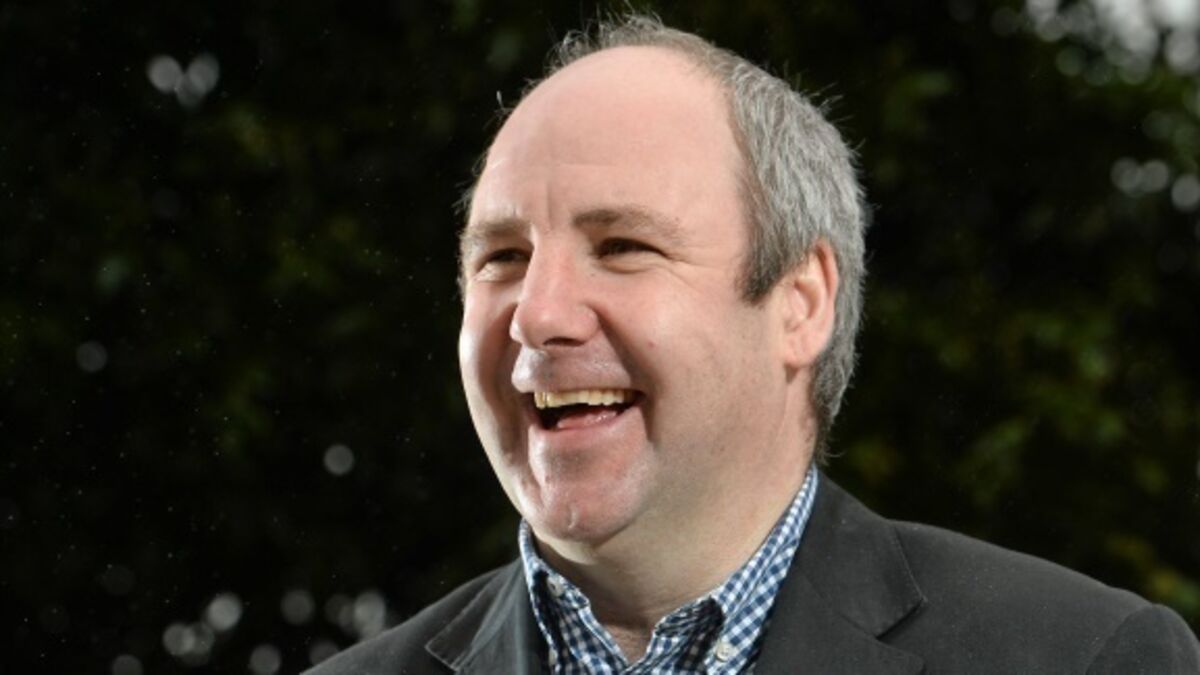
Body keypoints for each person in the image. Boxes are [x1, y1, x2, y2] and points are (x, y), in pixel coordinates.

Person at [308, 15, 1200, 674]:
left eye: (622, 246)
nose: (536, 314)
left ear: (800, 305)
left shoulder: (1084, 657)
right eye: (501, 257)